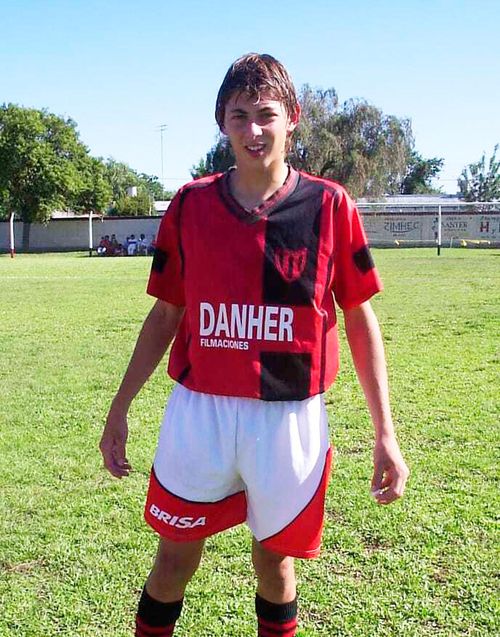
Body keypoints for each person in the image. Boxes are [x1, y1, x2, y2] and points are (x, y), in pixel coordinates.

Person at [100, 53, 409, 637]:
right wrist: (120, 407)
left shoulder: (330, 206)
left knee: (275, 564)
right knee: (171, 561)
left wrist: (384, 434)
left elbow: (361, 319)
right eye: (239, 116)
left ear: (292, 118)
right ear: (222, 122)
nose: (253, 130)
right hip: (201, 412)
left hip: (289, 418)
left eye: (266, 114)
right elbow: (167, 312)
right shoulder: (190, 205)